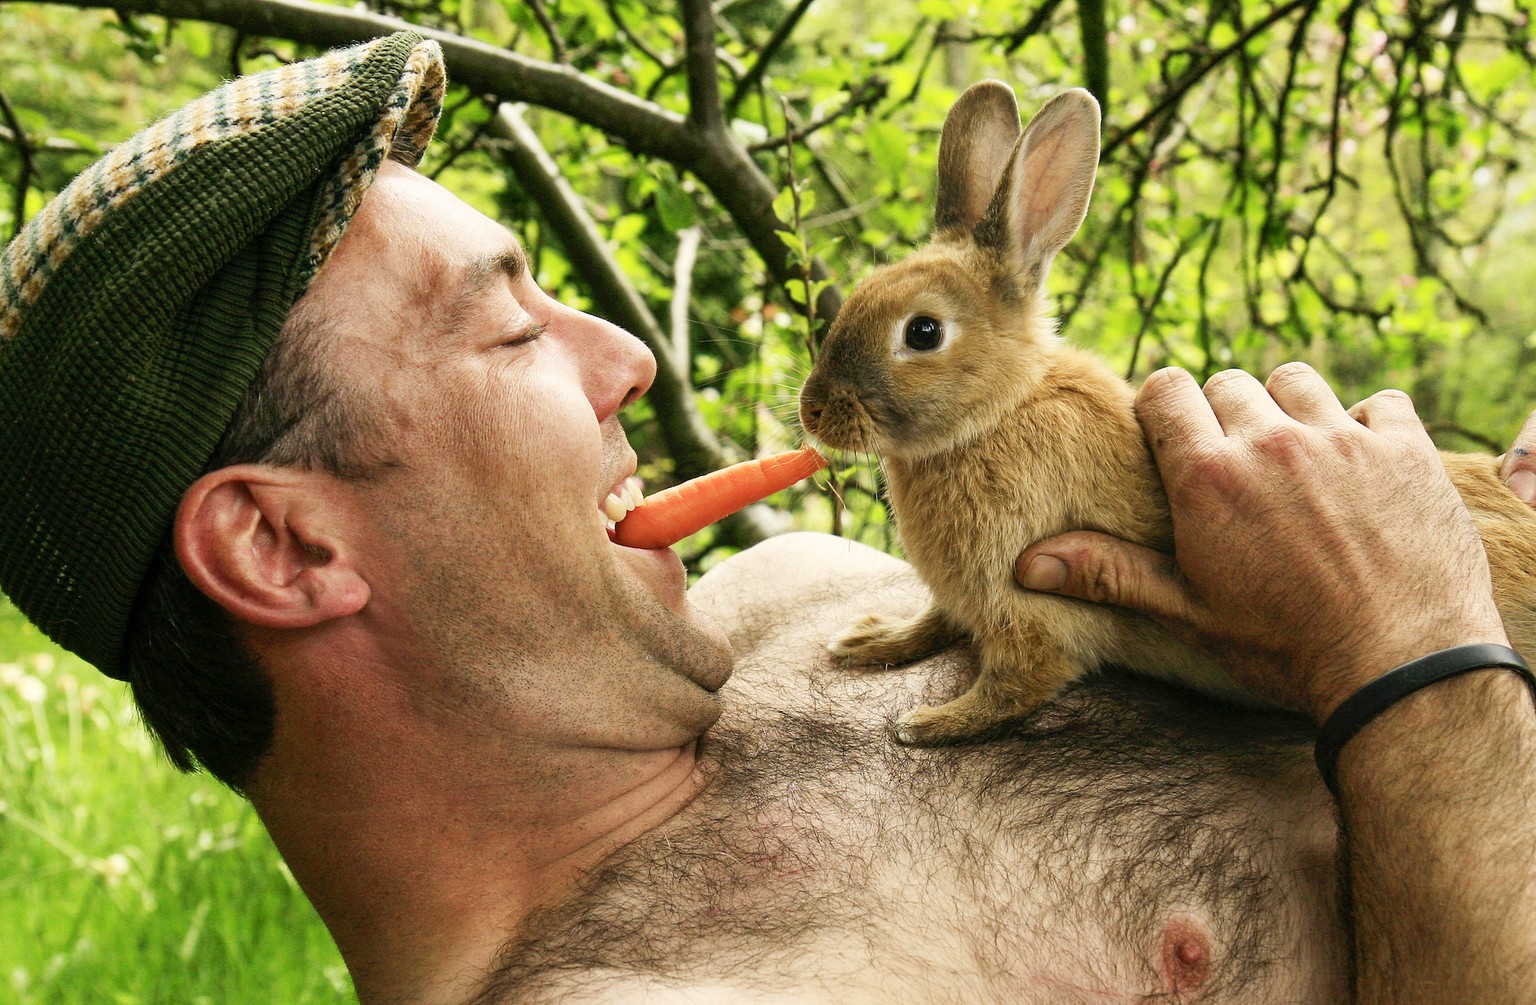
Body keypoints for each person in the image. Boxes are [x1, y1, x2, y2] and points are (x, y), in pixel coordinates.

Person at [2, 32, 1534, 1005]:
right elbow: (1407, 682)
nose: (633, 359)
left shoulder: (792, 601)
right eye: (515, 331)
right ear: (283, 546)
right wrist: (1419, 658)